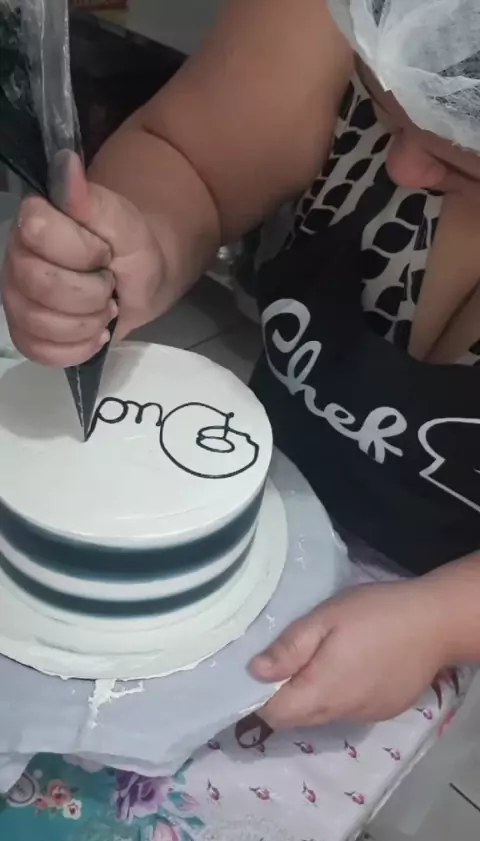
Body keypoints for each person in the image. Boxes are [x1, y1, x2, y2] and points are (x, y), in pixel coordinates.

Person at [3, 0, 480, 731]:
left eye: (462, 156)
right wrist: (144, 238)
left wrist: (443, 622)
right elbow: (191, 160)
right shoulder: (337, 13)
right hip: (251, 517)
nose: (405, 167)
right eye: (382, 109)